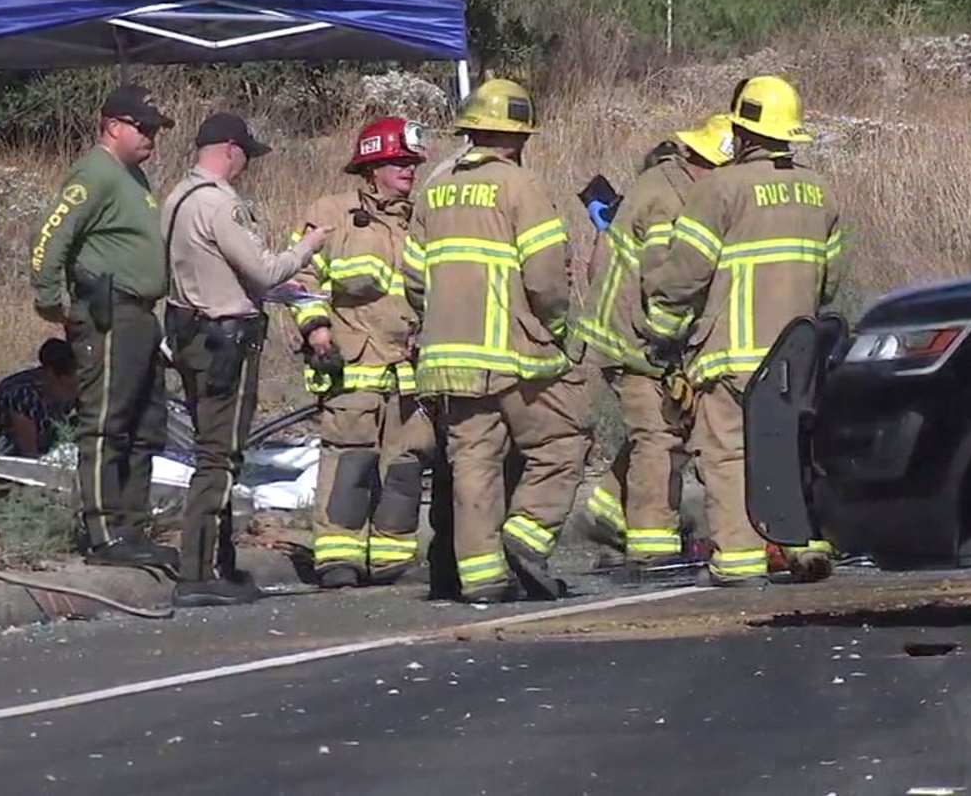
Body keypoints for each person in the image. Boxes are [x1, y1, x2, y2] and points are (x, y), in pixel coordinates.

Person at [640, 75, 847, 587]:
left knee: (729, 454)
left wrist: (660, 327)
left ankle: (738, 560)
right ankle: (801, 548)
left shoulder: (719, 189)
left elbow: (686, 274)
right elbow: (830, 282)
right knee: (790, 450)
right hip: (796, 357)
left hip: (731, 356)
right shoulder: (820, 191)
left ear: (741, 130)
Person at [400, 78, 594, 604]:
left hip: (447, 358)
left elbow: (414, 277)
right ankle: (524, 536)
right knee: (561, 441)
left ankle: (483, 579)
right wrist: (554, 329)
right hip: (511, 352)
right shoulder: (520, 186)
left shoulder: (434, 190)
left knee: (473, 462)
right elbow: (547, 277)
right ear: (515, 138)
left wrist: (440, 323)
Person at [162, 112, 333, 607]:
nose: (246, 168)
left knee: (212, 449)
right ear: (230, 150)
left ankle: (220, 563)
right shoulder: (220, 204)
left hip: (194, 332)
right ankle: (199, 570)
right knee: (219, 456)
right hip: (225, 341)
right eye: (245, 157)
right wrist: (308, 245)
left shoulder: (177, 198)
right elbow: (262, 268)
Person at [570, 114, 735, 571]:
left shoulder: (679, 186)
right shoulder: (667, 198)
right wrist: (666, 346)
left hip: (641, 334)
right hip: (633, 338)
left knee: (666, 430)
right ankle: (652, 545)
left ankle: (606, 511)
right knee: (659, 437)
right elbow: (665, 281)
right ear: (702, 160)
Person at [29, 83, 177, 572]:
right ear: (113, 126)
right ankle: (103, 531)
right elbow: (52, 234)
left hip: (141, 316)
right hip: (109, 314)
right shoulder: (95, 173)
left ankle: (132, 525)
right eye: (143, 128)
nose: (152, 137)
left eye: (155, 130)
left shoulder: (133, 177)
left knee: (143, 424)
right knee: (107, 423)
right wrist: (52, 301)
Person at [286, 117, 438, 590]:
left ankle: (391, 557)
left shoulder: (423, 220)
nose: (407, 170)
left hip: (408, 367)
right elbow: (301, 281)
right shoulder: (331, 214)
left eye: (411, 163)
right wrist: (316, 332)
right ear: (371, 167)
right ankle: (337, 558)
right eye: (397, 162)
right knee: (351, 459)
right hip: (352, 362)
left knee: (406, 463)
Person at [0, 338, 80, 458]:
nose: (77, 390)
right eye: (72, 384)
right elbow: (28, 454)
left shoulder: (67, 392)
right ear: (50, 374)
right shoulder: (22, 395)